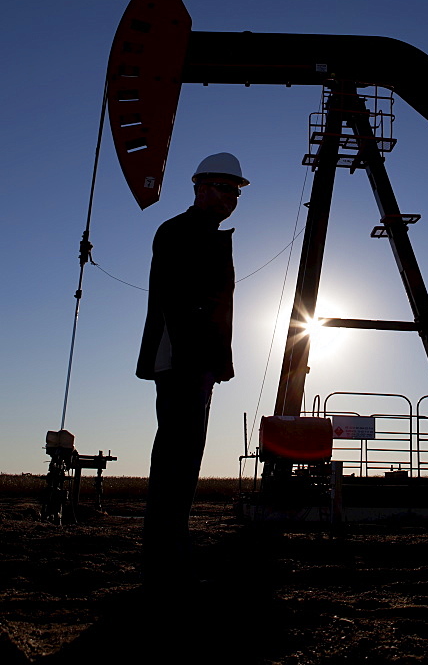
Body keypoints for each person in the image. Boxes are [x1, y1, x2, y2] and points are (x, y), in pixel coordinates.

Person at [137, 152, 249, 582]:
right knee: (176, 452)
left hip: (198, 359)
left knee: (185, 453)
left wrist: (219, 361)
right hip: (183, 357)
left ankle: (171, 544)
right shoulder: (180, 232)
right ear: (200, 188)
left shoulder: (207, 234)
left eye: (236, 191)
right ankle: (165, 552)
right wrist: (200, 356)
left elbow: (216, 309)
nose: (231, 198)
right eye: (224, 188)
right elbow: (181, 300)